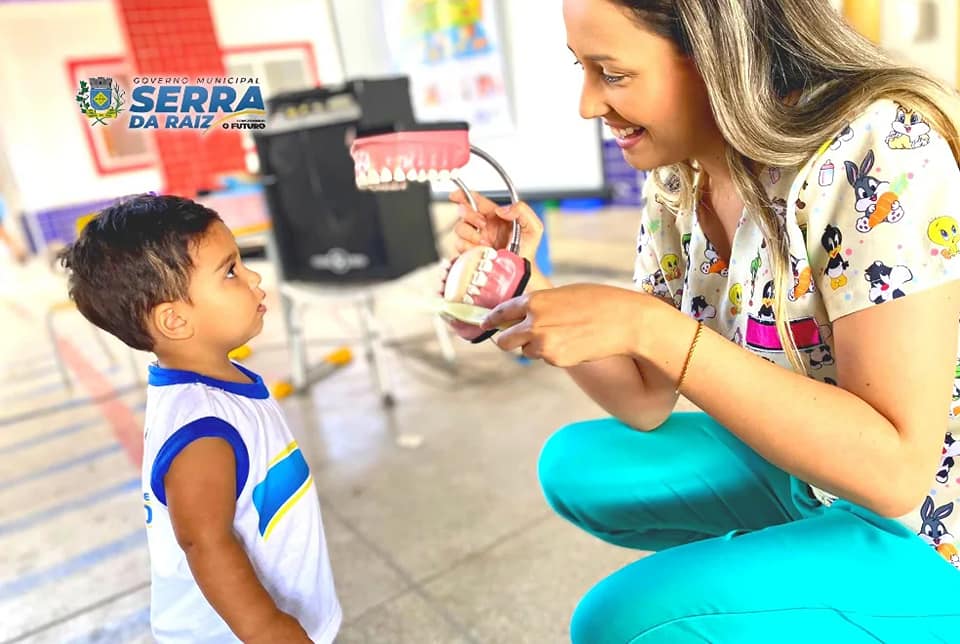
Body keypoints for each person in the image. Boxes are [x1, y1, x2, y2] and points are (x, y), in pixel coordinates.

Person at [446, 0, 960, 641]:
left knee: (618, 622)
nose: (587, 105)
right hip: (811, 471)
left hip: (926, 526)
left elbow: (896, 473)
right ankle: (796, 571)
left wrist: (650, 327)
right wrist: (527, 285)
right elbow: (644, 401)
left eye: (611, 73)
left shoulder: (882, 149)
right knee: (575, 464)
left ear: (716, 52)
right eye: (581, 68)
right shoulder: (677, 175)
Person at [59, 194, 341, 643]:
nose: (253, 277)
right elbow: (205, 543)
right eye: (230, 271)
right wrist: (271, 631)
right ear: (173, 320)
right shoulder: (201, 430)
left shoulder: (217, 382)